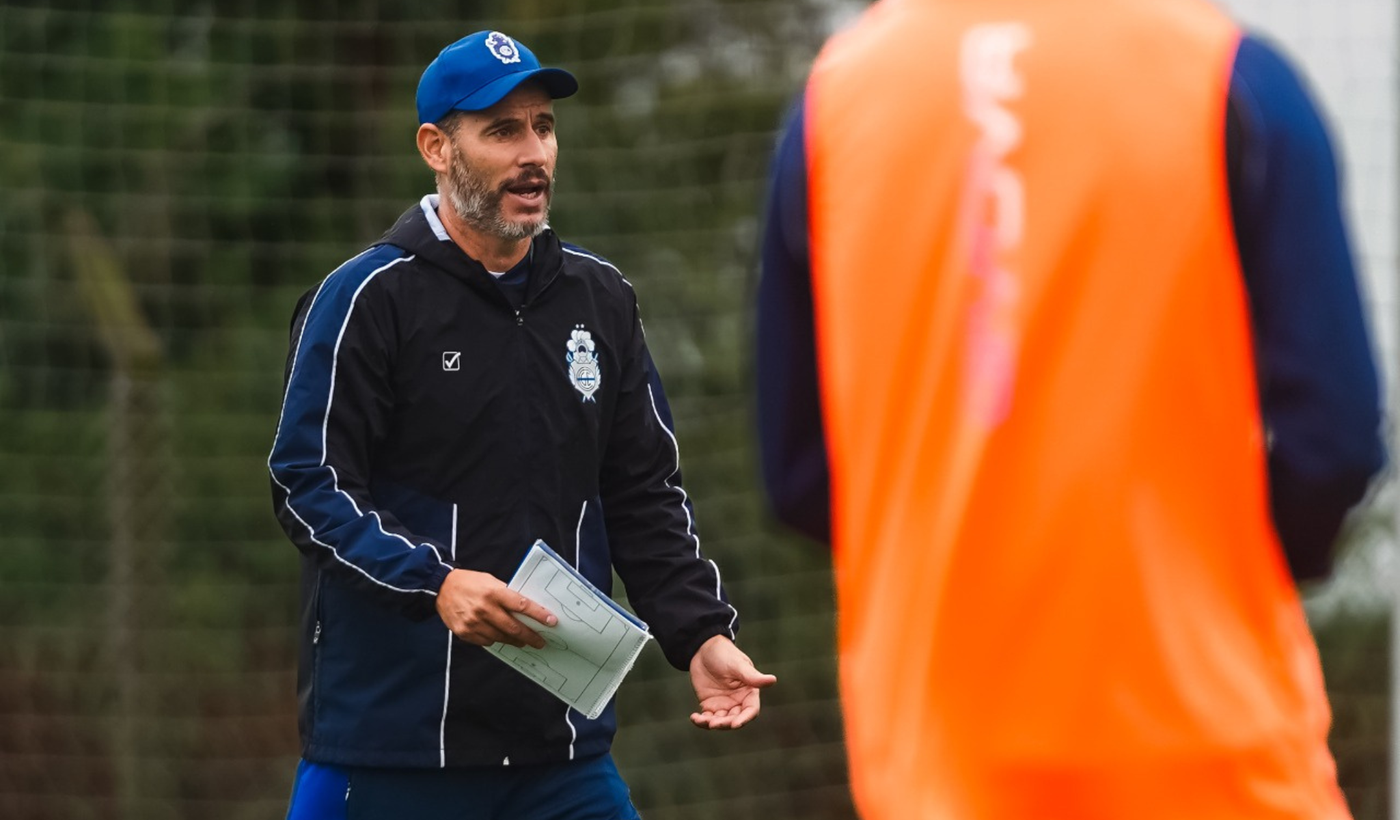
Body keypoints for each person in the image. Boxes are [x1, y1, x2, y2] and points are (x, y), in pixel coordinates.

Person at [755, 1, 1386, 818]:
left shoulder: (832, 104)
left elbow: (798, 474)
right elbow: (1334, 440)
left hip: (938, 767)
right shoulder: (1229, 73)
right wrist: (1223, 575)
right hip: (1211, 763)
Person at [270, 30, 775, 820]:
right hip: (392, 748)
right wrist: (433, 583)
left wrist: (700, 634)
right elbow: (309, 485)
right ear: (437, 148)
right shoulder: (368, 297)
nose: (532, 153)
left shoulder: (600, 299)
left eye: (542, 126)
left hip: (558, 756)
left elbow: (642, 492)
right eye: (502, 130)